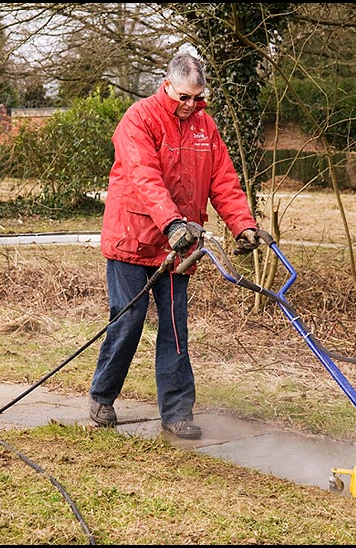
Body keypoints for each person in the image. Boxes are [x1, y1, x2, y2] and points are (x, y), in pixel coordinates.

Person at [89, 52, 260, 440]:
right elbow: (144, 177)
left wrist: (243, 225)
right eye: (184, 97)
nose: (190, 105)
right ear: (167, 85)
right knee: (128, 320)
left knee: (175, 328)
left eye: (197, 98)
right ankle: (102, 395)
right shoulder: (139, 119)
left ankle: (178, 412)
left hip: (177, 245)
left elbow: (224, 181)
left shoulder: (205, 127)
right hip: (132, 237)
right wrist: (171, 222)